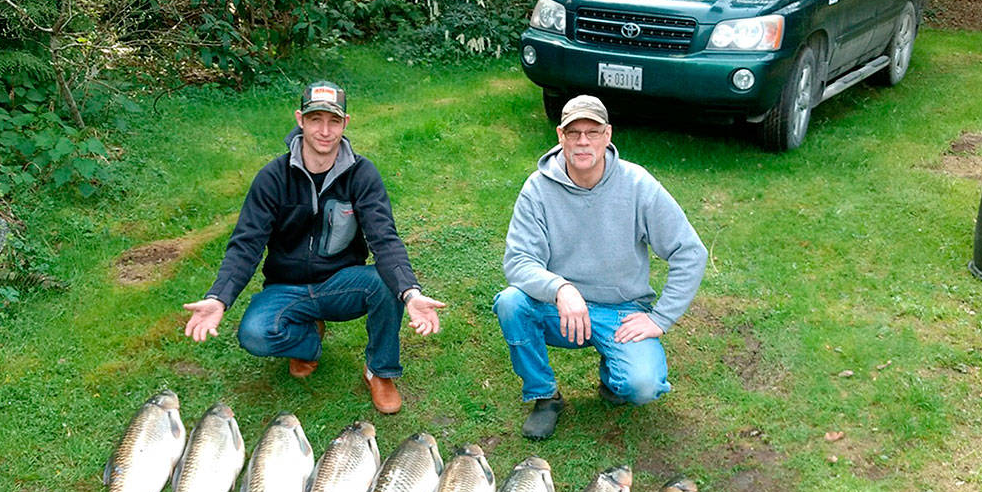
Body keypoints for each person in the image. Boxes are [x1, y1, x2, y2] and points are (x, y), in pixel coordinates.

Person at [182, 81, 445, 414]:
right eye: (315, 119)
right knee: (255, 334)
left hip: (341, 284)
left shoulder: (362, 175)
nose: (324, 131)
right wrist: (219, 296)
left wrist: (410, 292)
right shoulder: (272, 177)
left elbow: (385, 238)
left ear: (345, 124)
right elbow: (246, 243)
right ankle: (307, 343)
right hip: (285, 285)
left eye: (333, 121)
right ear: (300, 120)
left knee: (385, 282)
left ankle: (379, 371)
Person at [494, 95, 707, 439]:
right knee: (511, 303)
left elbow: (690, 252)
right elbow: (518, 261)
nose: (582, 142)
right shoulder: (537, 188)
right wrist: (561, 289)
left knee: (642, 386)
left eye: (592, 132)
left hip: (621, 310)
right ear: (560, 136)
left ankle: (613, 377)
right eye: (574, 132)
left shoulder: (638, 185)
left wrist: (660, 318)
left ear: (608, 135)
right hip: (559, 309)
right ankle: (545, 396)